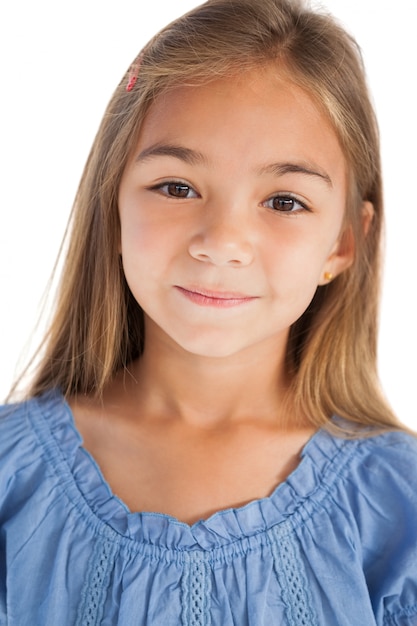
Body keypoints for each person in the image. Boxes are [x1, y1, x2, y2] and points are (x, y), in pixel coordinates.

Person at [1, 0, 416, 623]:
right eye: (176, 188)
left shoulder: (399, 509)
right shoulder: (11, 482)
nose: (221, 242)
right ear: (112, 207)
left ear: (343, 242)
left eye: (283, 200)